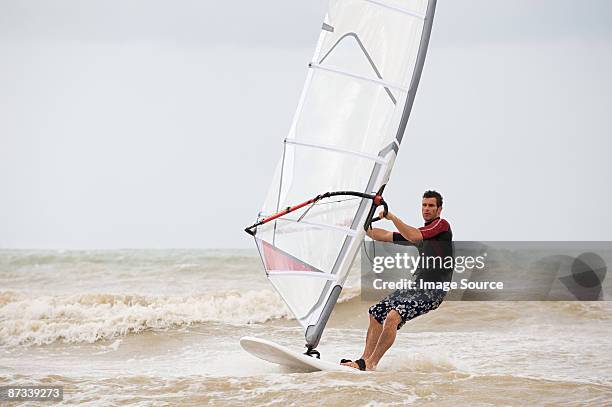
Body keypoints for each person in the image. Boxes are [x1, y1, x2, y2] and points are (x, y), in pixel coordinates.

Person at [341, 190, 453, 371]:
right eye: (424, 205)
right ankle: (363, 361)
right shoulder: (419, 234)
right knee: (377, 312)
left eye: (431, 206)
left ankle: (371, 364)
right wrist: (358, 224)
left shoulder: (441, 226)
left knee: (393, 316)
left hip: (433, 291)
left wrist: (392, 217)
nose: (426, 209)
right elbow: (382, 235)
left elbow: (415, 235)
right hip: (415, 287)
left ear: (439, 209)